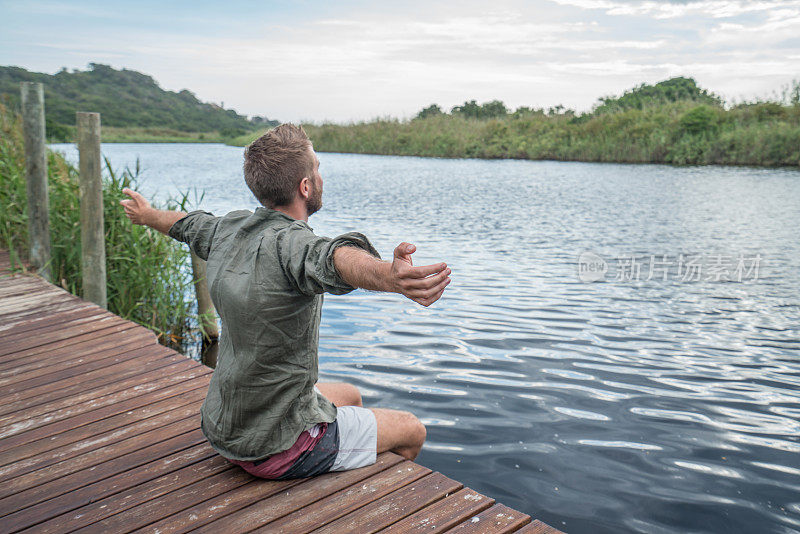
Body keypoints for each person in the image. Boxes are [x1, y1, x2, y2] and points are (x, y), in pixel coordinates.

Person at [120, 123, 451, 480]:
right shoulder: (293, 245)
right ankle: (359, 504)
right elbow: (334, 258)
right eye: (318, 168)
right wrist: (388, 276)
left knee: (351, 395)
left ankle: (343, 459)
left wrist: (145, 215)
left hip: (226, 426)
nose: (321, 176)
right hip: (277, 447)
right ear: (305, 187)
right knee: (412, 429)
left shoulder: (227, 230)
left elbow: (184, 224)